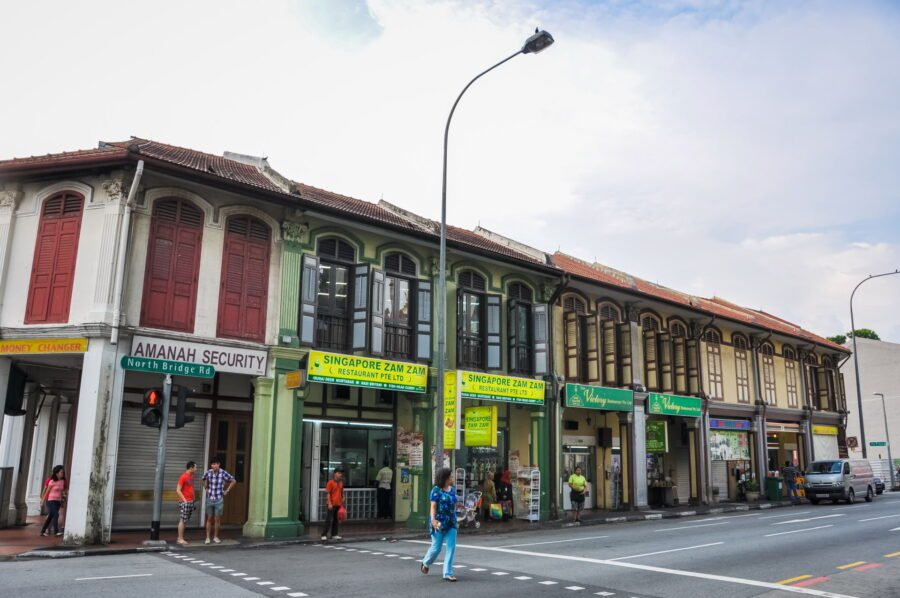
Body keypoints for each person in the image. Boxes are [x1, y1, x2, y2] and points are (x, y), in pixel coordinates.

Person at [420, 467, 459, 582]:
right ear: (445, 478)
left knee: (451, 548)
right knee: (436, 548)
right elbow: (433, 506)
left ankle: (447, 573)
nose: (452, 478)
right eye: (450, 476)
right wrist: (433, 520)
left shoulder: (452, 490)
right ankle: (426, 563)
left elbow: (454, 505)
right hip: (438, 523)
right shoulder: (436, 490)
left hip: (451, 522)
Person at [202, 458, 235, 544]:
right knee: (209, 518)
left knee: (217, 519)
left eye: (215, 464)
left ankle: (216, 537)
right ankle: (207, 537)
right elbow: (203, 478)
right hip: (210, 498)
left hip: (219, 499)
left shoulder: (223, 472)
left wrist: (227, 490)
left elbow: (233, 480)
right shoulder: (209, 472)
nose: (214, 466)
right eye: (212, 464)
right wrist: (206, 487)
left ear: (219, 464)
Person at [40, 465, 66, 537]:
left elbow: (62, 491)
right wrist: (42, 501)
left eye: (63, 472)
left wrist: (63, 496)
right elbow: (47, 492)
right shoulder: (52, 481)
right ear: (57, 473)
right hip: (50, 500)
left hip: (58, 501)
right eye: (61, 472)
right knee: (56, 514)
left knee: (50, 516)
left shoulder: (62, 481)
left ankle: (42, 531)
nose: (62, 474)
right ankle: (56, 531)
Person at [176, 461, 197, 545]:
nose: (196, 469)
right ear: (191, 468)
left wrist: (194, 498)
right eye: (195, 467)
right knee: (182, 520)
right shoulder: (183, 477)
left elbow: (191, 488)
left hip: (190, 501)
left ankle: (180, 537)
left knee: (185, 520)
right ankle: (180, 539)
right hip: (185, 502)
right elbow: (178, 490)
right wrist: (185, 500)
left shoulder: (191, 476)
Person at [321, 468, 344, 540]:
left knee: (336, 520)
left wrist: (343, 497)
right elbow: (328, 493)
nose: (341, 474)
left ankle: (334, 534)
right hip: (331, 504)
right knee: (329, 519)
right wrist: (330, 503)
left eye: (341, 473)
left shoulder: (341, 483)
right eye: (339, 473)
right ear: (335, 474)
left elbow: (341, 492)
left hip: (338, 504)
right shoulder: (330, 482)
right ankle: (324, 534)